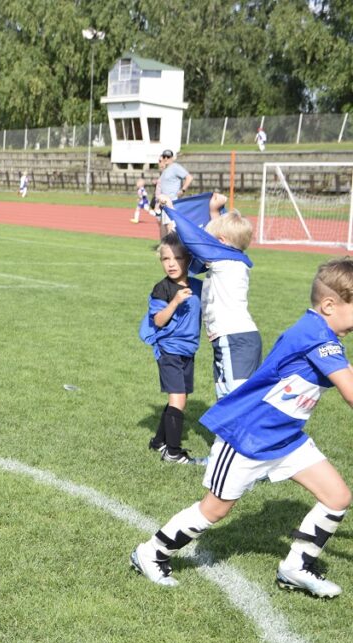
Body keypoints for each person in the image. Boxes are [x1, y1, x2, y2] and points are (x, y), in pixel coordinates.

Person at [132, 257, 353, 598]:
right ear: (328, 305)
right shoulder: (315, 337)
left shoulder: (324, 335)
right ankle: (150, 553)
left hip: (286, 438)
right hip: (247, 437)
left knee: (337, 496)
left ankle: (295, 568)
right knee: (214, 510)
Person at [165, 195, 261, 400]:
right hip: (230, 338)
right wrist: (214, 212)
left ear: (221, 243)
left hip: (235, 339)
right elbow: (213, 242)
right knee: (225, 395)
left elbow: (194, 239)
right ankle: (222, 434)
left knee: (236, 398)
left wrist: (170, 210)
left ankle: (251, 432)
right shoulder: (230, 258)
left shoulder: (227, 261)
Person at [139, 234, 203, 464]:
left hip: (188, 350)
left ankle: (158, 442)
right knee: (178, 399)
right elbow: (158, 321)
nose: (171, 263)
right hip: (169, 350)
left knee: (180, 396)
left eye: (177, 258)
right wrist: (175, 302)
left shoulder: (197, 286)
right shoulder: (162, 289)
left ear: (188, 260)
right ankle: (173, 452)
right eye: (166, 259)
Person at [156, 150, 192, 237]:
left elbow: (189, 177)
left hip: (172, 202)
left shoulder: (175, 167)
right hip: (164, 203)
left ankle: (172, 247)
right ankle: (164, 246)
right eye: (164, 156)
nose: (165, 158)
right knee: (164, 226)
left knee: (170, 226)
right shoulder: (165, 169)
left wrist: (183, 190)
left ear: (172, 158)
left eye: (168, 157)